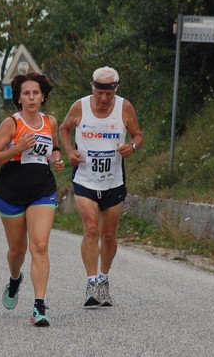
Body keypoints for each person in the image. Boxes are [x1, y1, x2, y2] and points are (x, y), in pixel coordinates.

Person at [59, 66, 143, 307]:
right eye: (99, 93)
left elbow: (138, 134)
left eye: (109, 93)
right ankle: (91, 282)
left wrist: (132, 147)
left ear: (116, 89)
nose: (104, 99)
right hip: (85, 179)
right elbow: (64, 129)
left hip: (114, 180)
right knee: (92, 228)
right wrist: (70, 151)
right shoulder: (80, 106)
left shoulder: (124, 107)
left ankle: (104, 279)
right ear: (92, 88)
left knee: (108, 234)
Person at [0, 72, 64, 327]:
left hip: (42, 189)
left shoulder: (49, 121)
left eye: (36, 93)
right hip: (12, 190)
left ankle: (39, 306)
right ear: (18, 98)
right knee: (17, 251)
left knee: (39, 246)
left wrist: (57, 159)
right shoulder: (11, 124)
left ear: (43, 96)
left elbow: (52, 148)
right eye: (26, 93)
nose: (31, 97)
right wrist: (16, 149)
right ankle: (15, 278)